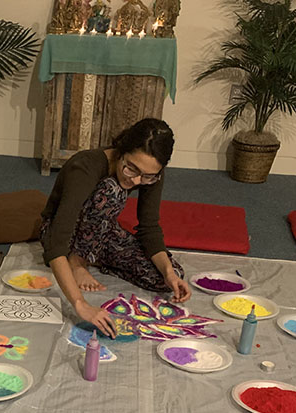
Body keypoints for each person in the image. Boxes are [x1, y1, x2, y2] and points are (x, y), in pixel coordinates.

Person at [39, 118, 191, 338]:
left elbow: (148, 227)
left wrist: (169, 274)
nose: (137, 180)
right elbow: (57, 240)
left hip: (103, 230)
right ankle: (77, 262)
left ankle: (96, 258)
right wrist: (80, 304)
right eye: (132, 168)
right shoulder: (86, 165)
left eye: (147, 176)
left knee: (166, 276)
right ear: (122, 150)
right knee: (113, 191)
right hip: (60, 232)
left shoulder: (150, 171)